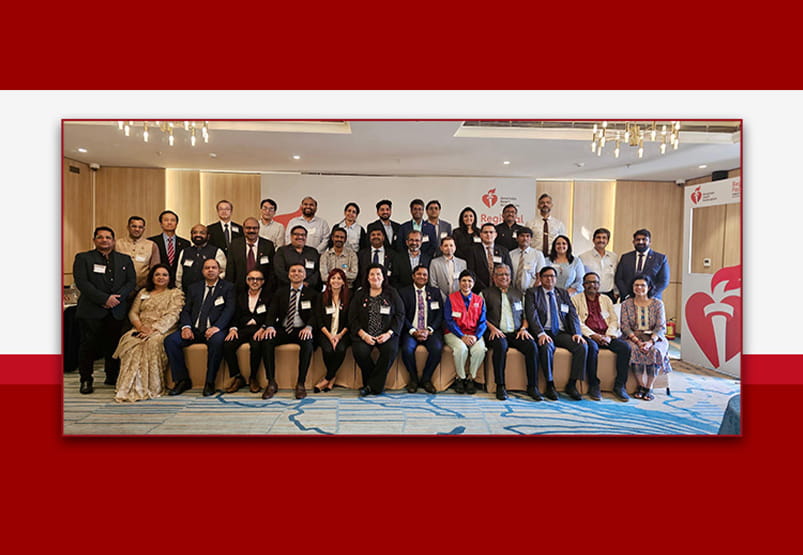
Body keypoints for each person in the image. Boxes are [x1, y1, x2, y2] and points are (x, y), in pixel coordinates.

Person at [73, 226, 137, 394]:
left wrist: (116, 299)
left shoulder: (124, 259)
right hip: (91, 310)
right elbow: (82, 282)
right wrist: (104, 299)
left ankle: (112, 376)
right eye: (100, 237)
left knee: (114, 345)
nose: (104, 240)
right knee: (88, 346)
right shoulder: (83, 258)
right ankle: (86, 379)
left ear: (113, 241)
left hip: (116, 310)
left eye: (108, 237)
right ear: (94, 240)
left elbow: (131, 281)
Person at [112, 264, 184, 402]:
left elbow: (173, 315)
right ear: (152, 277)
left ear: (170, 278)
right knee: (131, 343)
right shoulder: (143, 292)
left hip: (163, 329)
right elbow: (133, 312)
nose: (161, 277)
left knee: (151, 343)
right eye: (157, 274)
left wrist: (154, 330)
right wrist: (140, 327)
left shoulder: (175, 294)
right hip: (141, 328)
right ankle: (128, 386)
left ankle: (149, 387)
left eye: (164, 275)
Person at [164, 258, 235, 396]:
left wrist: (217, 327)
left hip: (215, 329)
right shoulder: (194, 288)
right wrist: (186, 327)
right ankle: (182, 380)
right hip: (194, 329)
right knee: (170, 341)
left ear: (219, 270)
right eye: (207, 268)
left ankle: (210, 382)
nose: (210, 270)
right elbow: (186, 310)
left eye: (213, 268)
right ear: (202, 271)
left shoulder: (228, 287)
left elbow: (229, 310)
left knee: (217, 341)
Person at [524, 266, 587, 401]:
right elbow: (532, 315)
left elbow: (572, 314)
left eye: (552, 276)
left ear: (556, 279)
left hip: (561, 332)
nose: (549, 279)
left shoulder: (562, 293)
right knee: (546, 347)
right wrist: (540, 333)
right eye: (546, 276)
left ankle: (572, 384)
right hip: (544, 331)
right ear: (540, 278)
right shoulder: (532, 293)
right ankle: (550, 384)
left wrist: (577, 333)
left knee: (582, 346)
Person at [482, 264, 540, 401]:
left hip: (516, 332)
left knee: (532, 346)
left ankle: (533, 386)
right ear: (494, 277)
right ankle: (500, 385)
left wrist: (524, 329)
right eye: (500, 274)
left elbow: (525, 316)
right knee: (500, 346)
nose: (504, 277)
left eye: (507, 274)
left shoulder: (518, 293)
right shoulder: (485, 293)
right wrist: (492, 328)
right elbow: (480, 317)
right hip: (495, 331)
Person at [261, 263, 319, 400]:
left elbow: (315, 315)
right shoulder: (280, 292)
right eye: (293, 271)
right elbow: (272, 311)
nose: (296, 273)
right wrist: (269, 326)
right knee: (267, 340)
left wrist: (309, 327)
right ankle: (271, 382)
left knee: (308, 343)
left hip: (301, 329)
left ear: (305, 275)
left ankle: (301, 383)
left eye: (300, 271)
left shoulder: (312, 294)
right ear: (288, 275)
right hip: (283, 329)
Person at [572, 272, 631, 402]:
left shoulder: (606, 299)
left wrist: (609, 336)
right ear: (583, 285)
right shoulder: (575, 299)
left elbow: (614, 320)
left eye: (595, 282)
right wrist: (593, 335)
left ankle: (620, 385)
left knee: (625, 348)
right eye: (588, 282)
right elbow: (576, 321)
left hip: (606, 334)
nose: (592, 285)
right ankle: (594, 384)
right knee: (592, 348)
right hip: (589, 335)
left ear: (599, 285)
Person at [349, 263, 405, 396]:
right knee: (360, 352)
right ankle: (375, 385)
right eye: (372, 274)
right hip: (364, 334)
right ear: (367, 277)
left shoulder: (392, 293)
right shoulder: (360, 294)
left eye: (378, 274)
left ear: (383, 277)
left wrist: (389, 334)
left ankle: (369, 386)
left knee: (390, 351)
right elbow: (352, 317)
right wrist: (363, 335)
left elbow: (400, 315)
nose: (375, 277)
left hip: (386, 334)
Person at [620, 275, 672, 401]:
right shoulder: (626, 304)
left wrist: (650, 342)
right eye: (636, 285)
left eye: (642, 285)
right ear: (632, 288)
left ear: (648, 288)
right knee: (634, 350)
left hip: (655, 337)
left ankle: (649, 387)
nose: (639, 288)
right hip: (633, 337)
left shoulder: (658, 304)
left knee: (654, 351)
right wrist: (638, 342)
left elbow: (660, 326)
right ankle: (641, 385)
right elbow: (625, 326)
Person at [221, 268, 272, 394]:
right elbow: (234, 315)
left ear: (263, 282)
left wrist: (264, 328)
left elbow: (272, 315)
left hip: (259, 329)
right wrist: (233, 329)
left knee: (256, 346)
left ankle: (253, 377)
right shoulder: (240, 296)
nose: (255, 281)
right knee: (227, 344)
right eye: (251, 279)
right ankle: (238, 377)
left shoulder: (269, 296)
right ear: (247, 281)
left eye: (258, 279)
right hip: (243, 328)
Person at [399, 265, 443, 394]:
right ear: (413, 276)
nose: (421, 277)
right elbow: (401, 315)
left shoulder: (435, 292)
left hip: (430, 331)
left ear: (428, 277)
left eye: (424, 275)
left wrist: (429, 330)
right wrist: (413, 331)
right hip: (411, 331)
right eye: (419, 274)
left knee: (437, 348)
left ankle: (426, 379)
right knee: (407, 349)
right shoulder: (404, 292)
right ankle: (413, 379)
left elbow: (439, 314)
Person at [443, 269, 487, 394]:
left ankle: (471, 378)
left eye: (469, 281)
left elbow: (483, 322)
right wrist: (462, 336)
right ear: (459, 282)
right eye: (463, 281)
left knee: (480, 350)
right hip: (454, 333)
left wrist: (476, 336)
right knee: (461, 349)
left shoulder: (479, 300)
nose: (466, 283)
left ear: (473, 283)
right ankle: (460, 378)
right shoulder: (451, 298)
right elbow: (448, 320)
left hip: (474, 333)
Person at [313, 268, 351, 393]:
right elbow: (319, 319)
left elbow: (350, 320)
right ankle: (332, 377)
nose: (336, 281)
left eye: (339, 278)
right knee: (328, 350)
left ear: (344, 282)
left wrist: (339, 336)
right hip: (326, 332)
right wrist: (330, 336)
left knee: (340, 349)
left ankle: (327, 378)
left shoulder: (349, 297)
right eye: (333, 278)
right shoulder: (321, 297)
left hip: (343, 333)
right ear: (329, 281)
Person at [615, 229, 670, 300]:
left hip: (651, 299)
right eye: (638, 240)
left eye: (644, 239)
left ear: (650, 242)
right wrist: (627, 295)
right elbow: (619, 279)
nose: (640, 242)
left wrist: (648, 295)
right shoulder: (625, 258)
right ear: (633, 242)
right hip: (628, 299)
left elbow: (664, 281)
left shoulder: (660, 258)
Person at [226, 217, 276, 293]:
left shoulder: (268, 245)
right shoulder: (235, 245)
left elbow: (271, 270)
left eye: (254, 228)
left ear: (258, 229)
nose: (251, 230)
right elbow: (230, 269)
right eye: (248, 228)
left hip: (262, 289)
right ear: (243, 229)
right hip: (239, 289)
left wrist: (268, 289)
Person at [175, 224, 227, 292]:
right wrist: (180, 290)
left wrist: (212, 283)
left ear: (208, 236)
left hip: (209, 292)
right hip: (187, 292)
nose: (198, 235)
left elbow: (223, 272)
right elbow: (179, 274)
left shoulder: (217, 251)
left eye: (202, 233)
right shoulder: (184, 251)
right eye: (195, 232)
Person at [115, 216, 160, 290]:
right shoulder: (117, 244)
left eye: (140, 227)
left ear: (144, 229)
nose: (137, 229)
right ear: (128, 227)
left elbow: (155, 269)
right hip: (120, 287)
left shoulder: (152, 245)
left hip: (143, 287)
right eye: (134, 226)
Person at [465, 223, 512, 293]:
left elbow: (509, 271)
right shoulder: (473, 251)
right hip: (479, 290)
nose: (488, 234)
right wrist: (484, 289)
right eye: (485, 232)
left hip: (500, 290)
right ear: (481, 234)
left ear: (496, 234)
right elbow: (471, 272)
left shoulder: (503, 251)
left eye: (491, 232)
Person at [273, 225, 322, 291]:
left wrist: (307, 283)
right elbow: (279, 271)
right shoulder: (282, 251)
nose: (300, 237)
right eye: (296, 234)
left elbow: (316, 272)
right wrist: (295, 284)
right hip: (287, 289)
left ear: (306, 237)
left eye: (303, 235)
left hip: (309, 289)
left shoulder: (313, 252)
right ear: (291, 236)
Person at [579, 227, 619, 302]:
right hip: (590, 294)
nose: (601, 240)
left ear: (608, 241)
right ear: (593, 240)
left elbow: (616, 275)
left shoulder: (613, 257)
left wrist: (616, 292)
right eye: (598, 237)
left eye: (604, 238)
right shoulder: (583, 257)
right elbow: (580, 277)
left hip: (609, 295)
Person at [147, 210, 190, 278]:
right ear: (161, 224)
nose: (169, 223)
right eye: (166, 220)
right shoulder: (152, 242)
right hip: (159, 279)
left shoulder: (185, 243)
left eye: (172, 220)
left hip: (178, 279)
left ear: (176, 223)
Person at [428, 235, 466, 300]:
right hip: (440, 299)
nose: (449, 248)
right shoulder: (434, 263)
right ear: (441, 248)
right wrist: (445, 299)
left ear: (455, 247)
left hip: (458, 299)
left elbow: (464, 282)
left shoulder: (462, 263)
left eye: (451, 245)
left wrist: (457, 298)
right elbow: (433, 283)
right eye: (445, 246)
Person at [509, 227, 545, 292]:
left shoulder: (538, 254)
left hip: (531, 291)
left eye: (528, 236)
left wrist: (534, 291)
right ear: (517, 238)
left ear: (531, 239)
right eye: (522, 236)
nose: (525, 238)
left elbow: (541, 276)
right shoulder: (511, 254)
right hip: (513, 292)